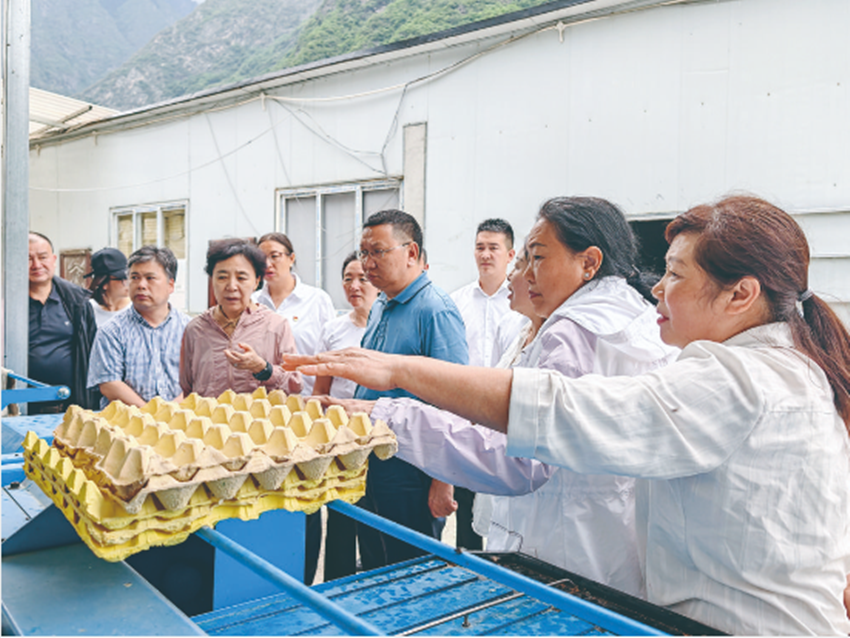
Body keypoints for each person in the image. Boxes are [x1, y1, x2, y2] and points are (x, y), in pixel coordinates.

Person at [287, 195, 850, 635]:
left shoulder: (739, 381)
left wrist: (399, 380)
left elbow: (562, 412)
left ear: (740, 295)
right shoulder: (785, 368)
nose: (657, 288)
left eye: (677, 275)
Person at [323, 198, 677, 597]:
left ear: (589, 262)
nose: (520, 274)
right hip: (593, 535)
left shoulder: (575, 328)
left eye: (535, 258)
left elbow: (520, 453)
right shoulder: (621, 316)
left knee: (409, 575)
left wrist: (384, 412)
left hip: (566, 545)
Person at [354, 209, 468, 570]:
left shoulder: (435, 310)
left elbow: (455, 401)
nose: (368, 264)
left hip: (412, 467)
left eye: (378, 252)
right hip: (371, 459)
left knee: (410, 570)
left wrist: (443, 482)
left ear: (412, 252)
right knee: (374, 565)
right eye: (363, 253)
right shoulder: (381, 304)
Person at [310, 252, 379, 583]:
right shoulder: (334, 329)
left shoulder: (385, 328)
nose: (354, 286)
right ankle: (336, 591)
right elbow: (320, 391)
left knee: (374, 525)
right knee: (340, 522)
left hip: (377, 439)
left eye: (363, 278)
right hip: (340, 441)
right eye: (348, 279)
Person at [449, 218, 517, 551]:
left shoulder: (521, 302)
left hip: (508, 416)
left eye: (493, 248)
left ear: (511, 254)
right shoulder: (456, 302)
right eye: (480, 247)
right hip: (467, 416)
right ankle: (470, 570)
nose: (485, 254)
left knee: (508, 505)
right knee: (466, 505)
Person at [180, 239, 302, 399]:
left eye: (241, 278)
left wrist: (263, 368)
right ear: (212, 280)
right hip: (209, 415)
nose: (231, 286)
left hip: (259, 416)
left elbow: (295, 384)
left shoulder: (276, 325)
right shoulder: (196, 329)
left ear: (256, 282)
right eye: (222, 277)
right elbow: (187, 388)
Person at [87, 246, 190, 408]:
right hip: (127, 420)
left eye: (150, 278)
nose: (141, 285)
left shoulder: (190, 329)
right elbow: (109, 383)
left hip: (180, 418)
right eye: (134, 277)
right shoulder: (111, 331)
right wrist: (148, 414)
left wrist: (173, 411)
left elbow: (199, 380)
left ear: (170, 285)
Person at [253, 232, 335, 395]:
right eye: (261, 259)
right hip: (262, 399)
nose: (267, 264)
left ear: (291, 258)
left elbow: (330, 353)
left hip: (307, 397)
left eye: (274, 256)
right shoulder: (252, 302)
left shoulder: (317, 300)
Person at [28, 232, 99, 413]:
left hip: (72, 405)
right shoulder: (7, 307)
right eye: (28, 259)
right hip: (21, 406)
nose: (36, 265)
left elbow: (92, 353)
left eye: (42, 257)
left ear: (53, 260)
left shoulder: (77, 301)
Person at [84, 247, 131, 328]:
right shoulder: (87, 310)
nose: (128, 283)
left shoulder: (139, 309)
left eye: (130, 277)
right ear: (103, 284)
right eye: (122, 278)